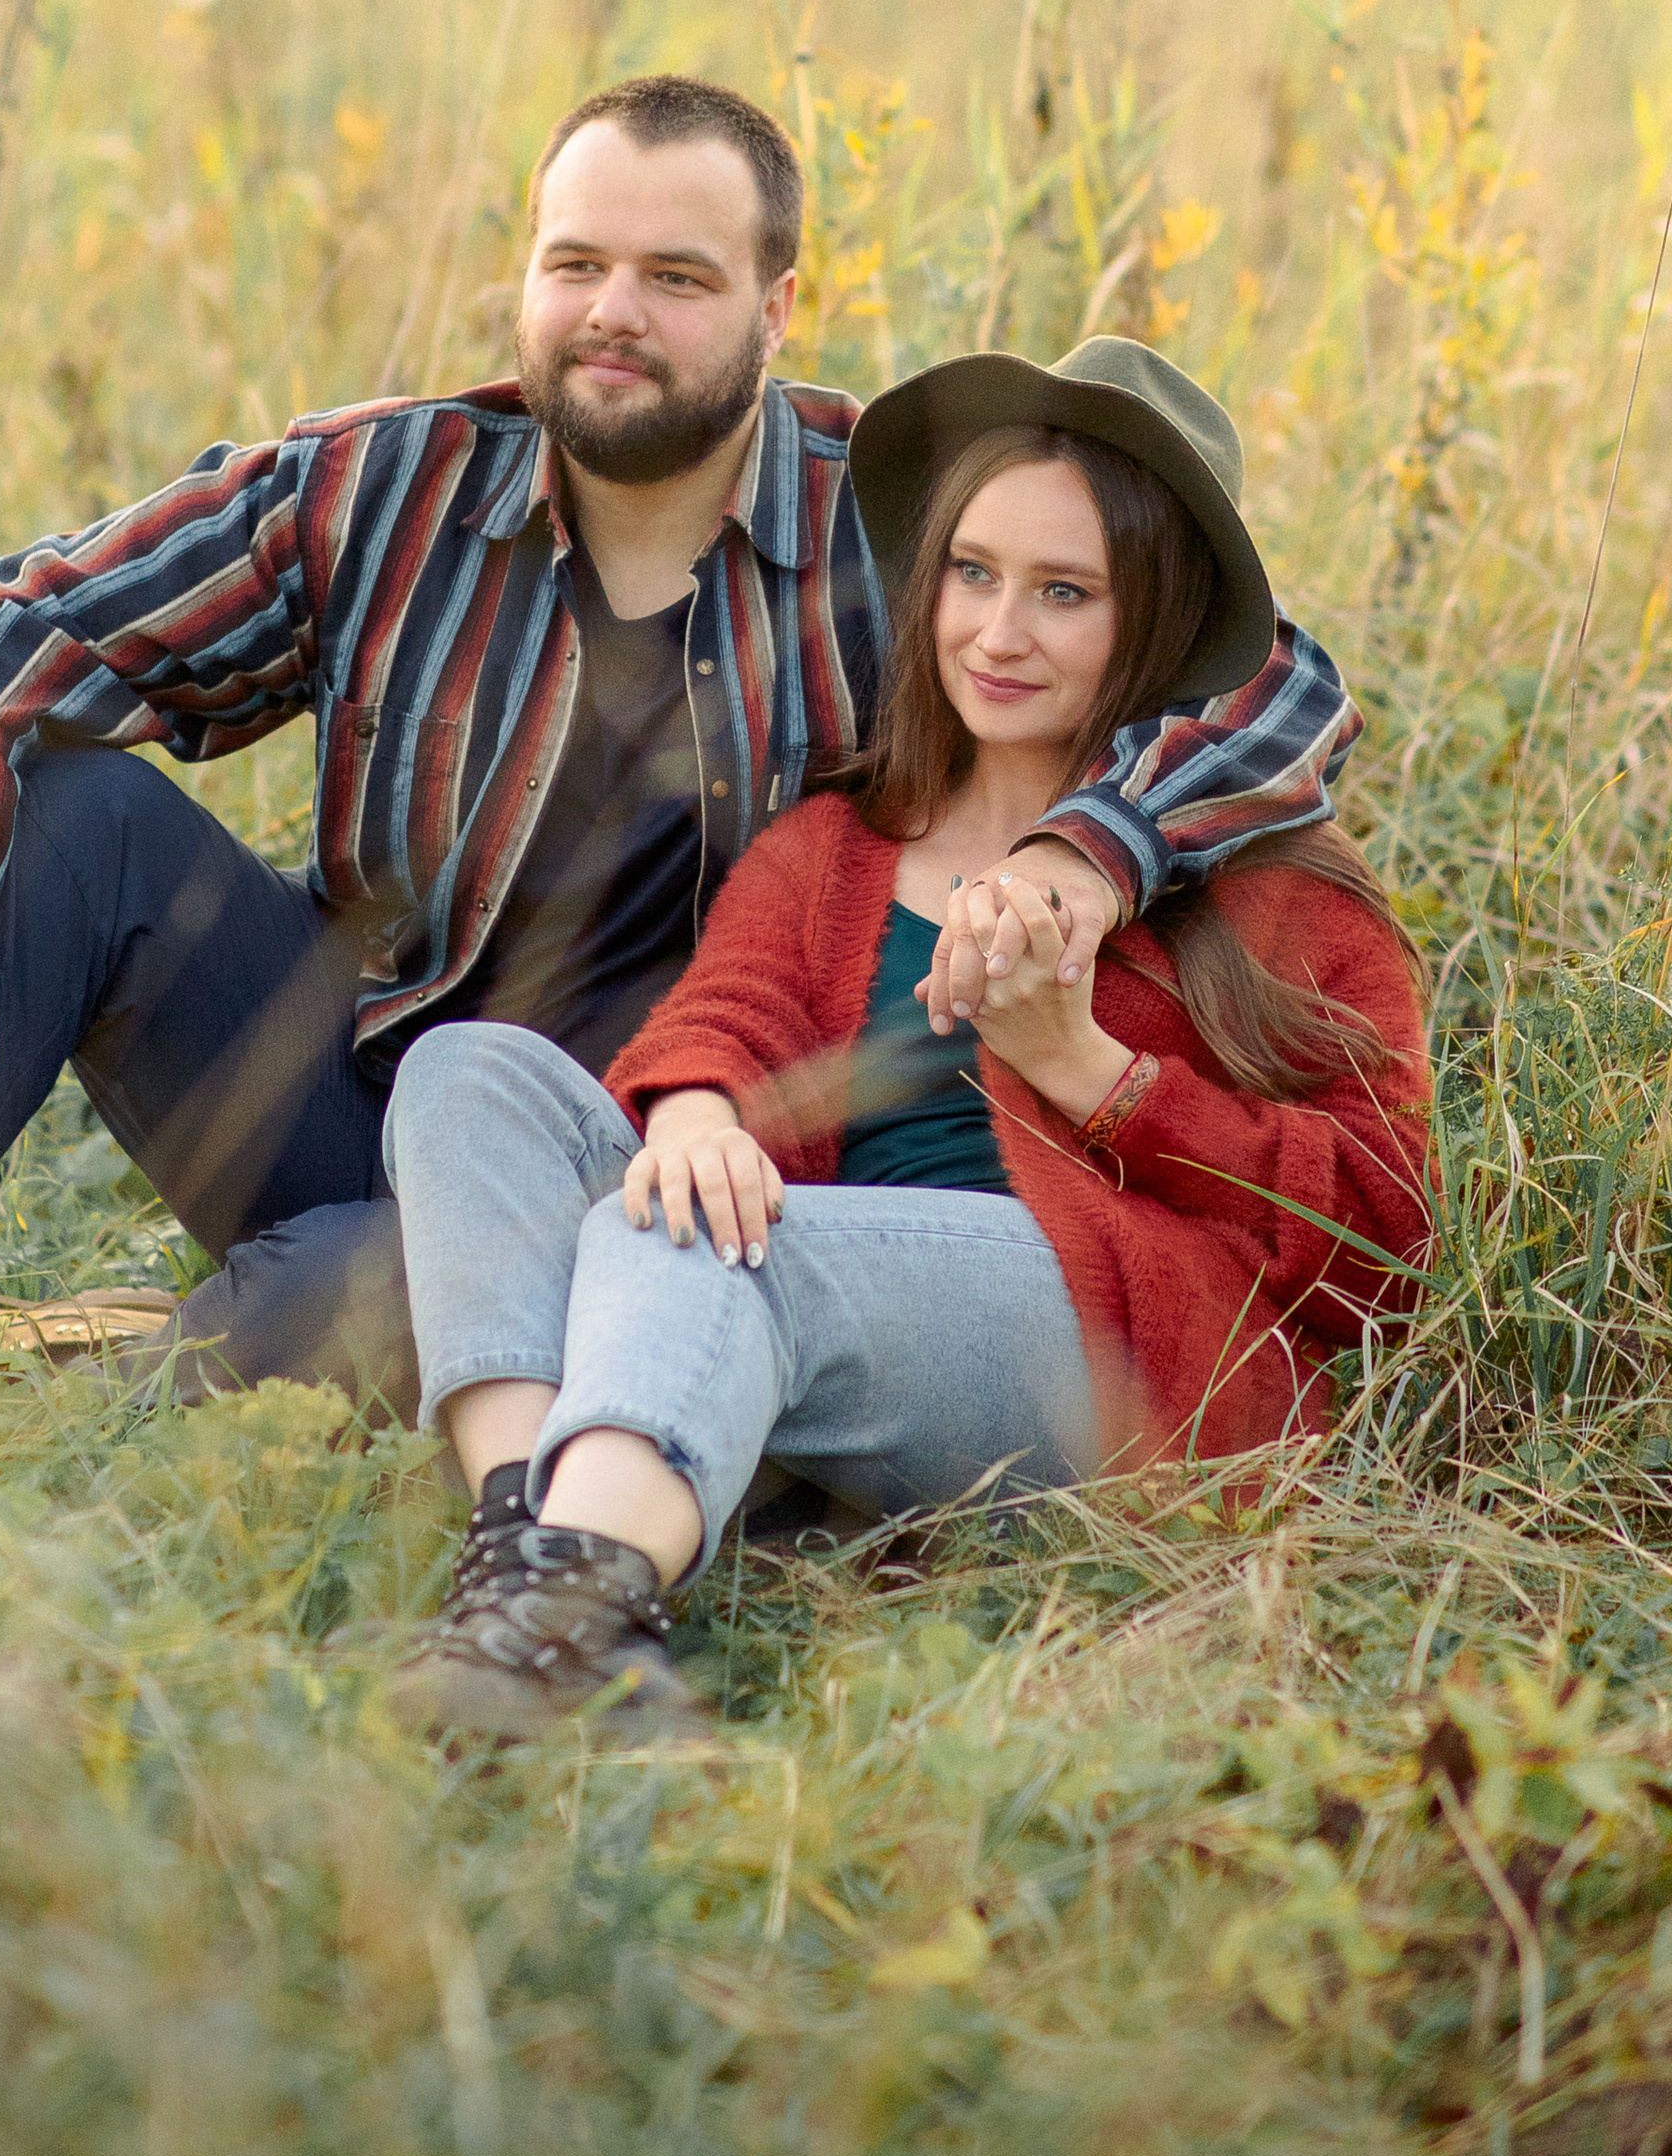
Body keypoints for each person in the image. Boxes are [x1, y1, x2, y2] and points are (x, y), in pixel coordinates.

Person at [0, 77, 1365, 1401]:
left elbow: (1267, 675)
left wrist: (1092, 852)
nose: (614, 316)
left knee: (339, 1297)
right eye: (577, 263)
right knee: (70, 816)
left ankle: (71, 1374)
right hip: (362, 1102)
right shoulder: (373, 490)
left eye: (677, 278)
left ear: (778, 306)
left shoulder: (893, 523)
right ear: (524, 274)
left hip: (666, 1175)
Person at [381, 335, 1433, 1735]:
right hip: (832, 1301)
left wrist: (1095, 1075)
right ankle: (528, 1558)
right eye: (975, 573)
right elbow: (729, 1012)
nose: (998, 634)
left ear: (1159, 620)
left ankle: (559, 1623)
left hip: (1106, 1351)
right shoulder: (840, 841)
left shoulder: (1271, 895)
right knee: (469, 1072)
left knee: (695, 1238)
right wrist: (696, 1111)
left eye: (1066, 593)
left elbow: (1389, 1240)